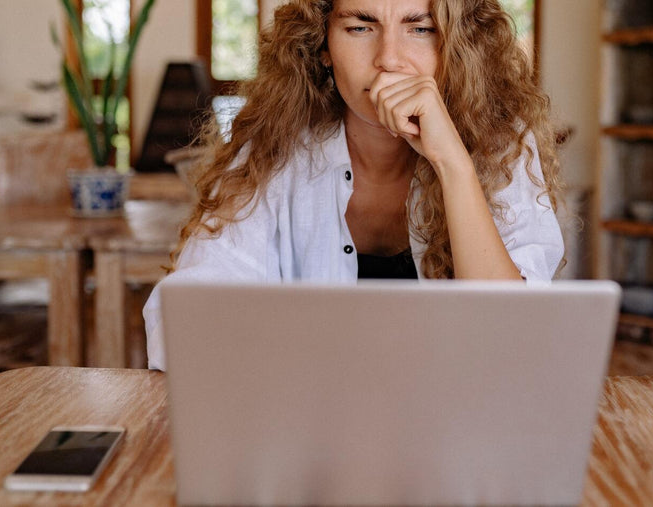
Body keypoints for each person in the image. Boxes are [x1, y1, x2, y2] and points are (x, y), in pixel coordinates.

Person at [143, 0, 565, 370]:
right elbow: (178, 322)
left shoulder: (502, 143)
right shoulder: (271, 148)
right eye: (360, 27)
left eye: (420, 28)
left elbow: (512, 343)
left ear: (454, 44)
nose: (389, 59)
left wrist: (451, 163)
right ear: (324, 46)